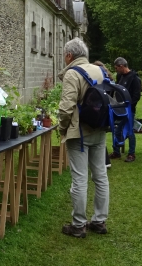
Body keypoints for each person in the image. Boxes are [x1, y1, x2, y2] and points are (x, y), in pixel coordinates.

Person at [58, 38, 109, 238]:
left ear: (69, 55)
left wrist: (62, 128)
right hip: (99, 129)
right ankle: (99, 221)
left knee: (79, 179)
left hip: (78, 132)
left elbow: (66, 107)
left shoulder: (73, 73)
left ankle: (78, 225)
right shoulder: (99, 70)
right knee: (100, 176)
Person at [111, 57, 141, 162]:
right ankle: (116, 152)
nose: (116, 70)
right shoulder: (120, 76)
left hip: (129, 109)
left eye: (116, 68)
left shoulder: (134, 78)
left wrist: (129, 106)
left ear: (122, 66)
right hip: (118, 108)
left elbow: (137, 95)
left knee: (129, 131)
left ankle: (131, 154)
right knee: (116, 130)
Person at [93, 60, 113, 169]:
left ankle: (104, 162)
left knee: (98, 139)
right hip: (107, 110)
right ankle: (104, 161)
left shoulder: (101, 79)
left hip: (99, 109)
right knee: (101, 137)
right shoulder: (109, 78)